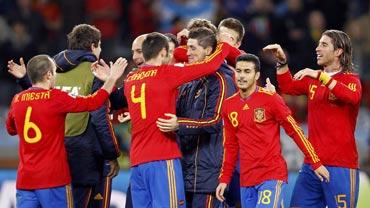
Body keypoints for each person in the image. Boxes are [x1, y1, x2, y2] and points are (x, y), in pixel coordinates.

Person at [7, 24, 123, 208]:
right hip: (61, 172)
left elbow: (13, 127)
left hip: (26, 177)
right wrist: (110, 80)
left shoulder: (18, 99)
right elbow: (94, 106)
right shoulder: (61, 94)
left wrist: (24, 81)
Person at [124, 32, 233, 207]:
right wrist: (225, 44)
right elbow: (211, 64)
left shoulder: (130, 79)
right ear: (162, 53)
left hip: (137, 162)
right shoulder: (167, 74)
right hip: (162, 158)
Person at [215, 53, 330, 207]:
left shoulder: (271, 99)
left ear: (257, 75)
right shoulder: (229, 106)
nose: (241, 76)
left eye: (247, 71)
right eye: (239, 71)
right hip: (247, 179)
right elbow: (230, 146)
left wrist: (315, 162)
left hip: (271, 175)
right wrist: (224, 179)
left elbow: (295, 131)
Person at [263, 29, 361, 207]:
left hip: (341, 165)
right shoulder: (313, 80)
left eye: (324, 45)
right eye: (318, 44)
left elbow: (352, 97)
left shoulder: (350, 80)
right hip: (312, 164)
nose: (318, 48)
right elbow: (288, 87)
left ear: (338, 51)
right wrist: (282, 62)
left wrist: (320, 75)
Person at [156, 27, 237, 207]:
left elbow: (216, 121)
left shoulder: (222, 80)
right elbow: (175, 110)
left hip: (208, 174)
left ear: (208, 51)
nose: (188, 53)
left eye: (193, 48)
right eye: (187, 48)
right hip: (185, 171)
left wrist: (179, 125)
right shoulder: (191, 81)